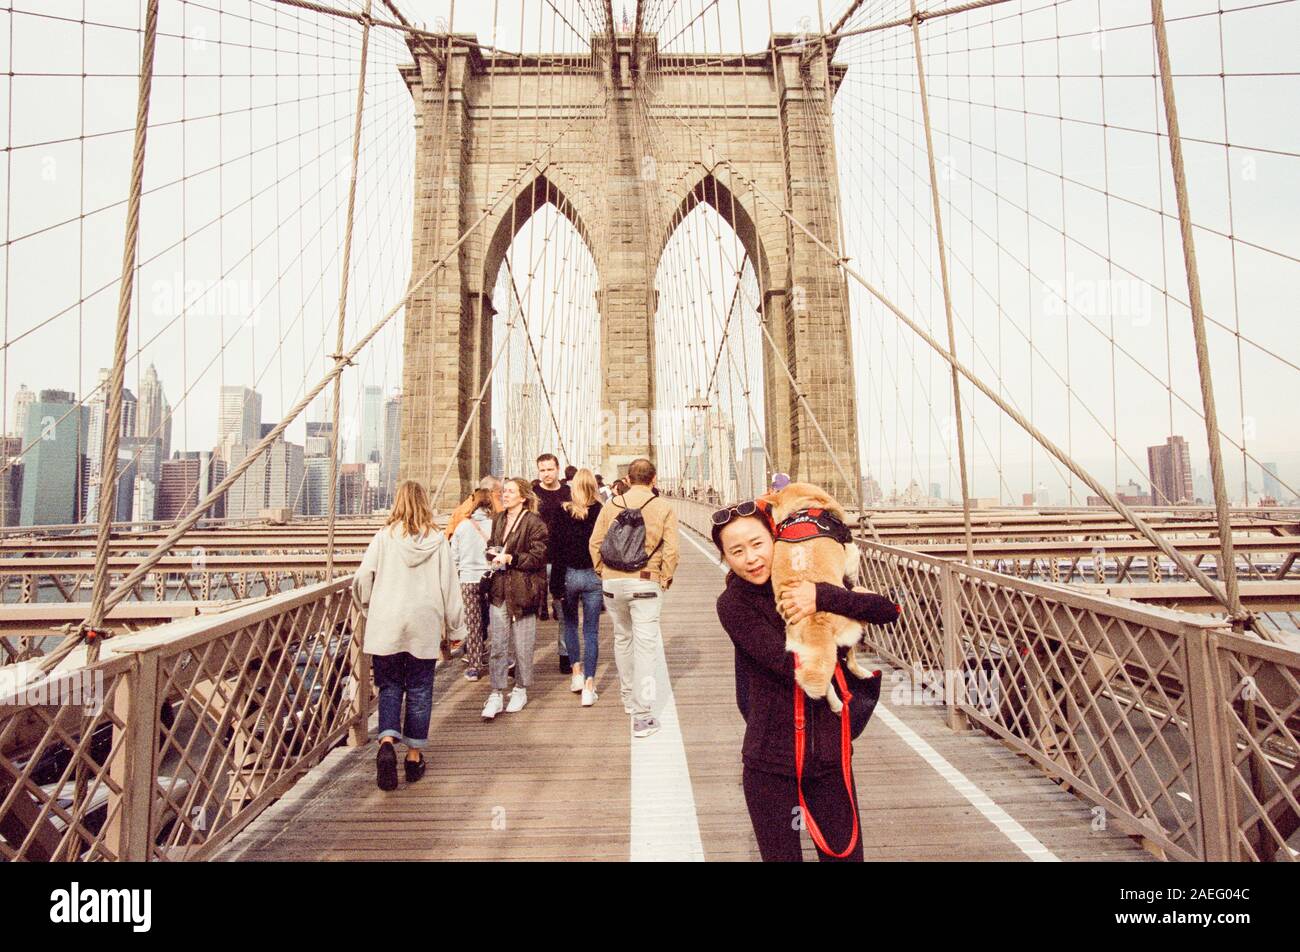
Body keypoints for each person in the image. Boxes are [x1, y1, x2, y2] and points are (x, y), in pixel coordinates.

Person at [711, 498, 900, 862]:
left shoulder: (817, 581)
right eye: (736, 551)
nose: (750, 558)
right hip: (770, 763)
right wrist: (830, 613)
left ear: (777, 540)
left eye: (757, 544)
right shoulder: (733, 603)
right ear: (725, 558)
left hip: (830, 757)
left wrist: (822, 595)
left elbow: (888, 611)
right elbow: (787, 665)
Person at [352, 480, 465, 791]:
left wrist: (368, 606)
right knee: (419, 689)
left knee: (389, 685)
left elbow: (363, 577)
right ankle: (413, 757)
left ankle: (387, 741)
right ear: (425, 503)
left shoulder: (383, 538)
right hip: (423, 624)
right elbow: (450, 588)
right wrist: (457, 628)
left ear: (397, 502)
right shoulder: (438, 541)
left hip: (386, 623)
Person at [589, 457, 678, 738]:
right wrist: (663, 577)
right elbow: (672, 550)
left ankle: (628, 698)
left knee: (622, 638)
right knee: (646, 647)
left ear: (627, 479)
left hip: (613, 583)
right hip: (645, 583)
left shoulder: (611, 505)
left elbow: (595, 542)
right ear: (654, 479)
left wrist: (604, 572)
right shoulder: (663, 507)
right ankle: (643, 715)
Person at [481, 477, 549, 720]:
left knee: (522, 644)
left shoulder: (535, 523)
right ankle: (497, 692)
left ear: (523, 497)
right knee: (498, 644)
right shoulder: (498, 519)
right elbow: (493, 544)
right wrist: (491, 552)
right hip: (499, 589)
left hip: (523, 590)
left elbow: (539, 556)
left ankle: (520, 689)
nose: (505, 495)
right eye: (504, 491)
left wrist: (512, 558)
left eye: (511, 491)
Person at [552, 468, 604, 706]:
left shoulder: (563, 512)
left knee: (570, 626)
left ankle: (576, 675)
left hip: (570, 576)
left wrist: (556, 587)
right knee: (591, 632)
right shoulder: (601, 511)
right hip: (594, 577)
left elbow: (557, 552)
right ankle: (589, 687)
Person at [532, 452, 572, 670]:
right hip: (537, 561)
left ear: (558, 469)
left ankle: (564, 655)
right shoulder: (531, 495)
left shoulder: (569, 493)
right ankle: (524, 660)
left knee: (563, 609)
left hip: (561, 560)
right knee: (527, 613)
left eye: (550, 469)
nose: (546, 473)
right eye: (542, 470)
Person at [449, 487, 494, 681]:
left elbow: (454, 557)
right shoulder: (496, 524)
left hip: (467, 580)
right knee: (497, 620)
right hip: (490, 579)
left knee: (473, 623)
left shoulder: (462, 526)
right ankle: (500, 659)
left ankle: (474, 666)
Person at [446, 475, 502, 540]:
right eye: (499, 492)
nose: (501, 495)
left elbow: (450, 534)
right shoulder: (494, 503)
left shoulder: (463, 506)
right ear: (491, 492)